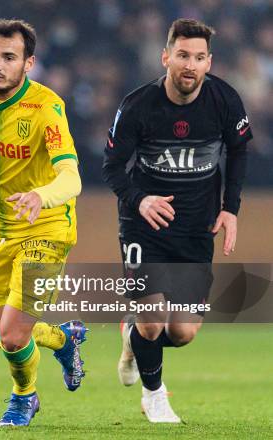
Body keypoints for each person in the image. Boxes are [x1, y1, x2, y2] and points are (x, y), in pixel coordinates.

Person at [102, 18, 252, 423]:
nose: (190, 64)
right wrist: (140, 199)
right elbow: (112, 166)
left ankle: (131, 339)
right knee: (152, 322)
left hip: (195, 226)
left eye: (199, 57)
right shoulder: (137, 106)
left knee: (182, 333)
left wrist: (230, 208)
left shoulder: (225, 100)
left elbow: (239, 152)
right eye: (183, 55)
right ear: (166, 56)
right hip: (143, 224)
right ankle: (155, 397)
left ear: (209, 62)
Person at [0, 19, 86, 427]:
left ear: (29, 64)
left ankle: (24, 398)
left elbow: (72, 178)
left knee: (11, 335)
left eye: (9, 57)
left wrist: (41, 196)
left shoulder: (46, 108)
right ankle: (63, 338)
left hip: (46, 227)